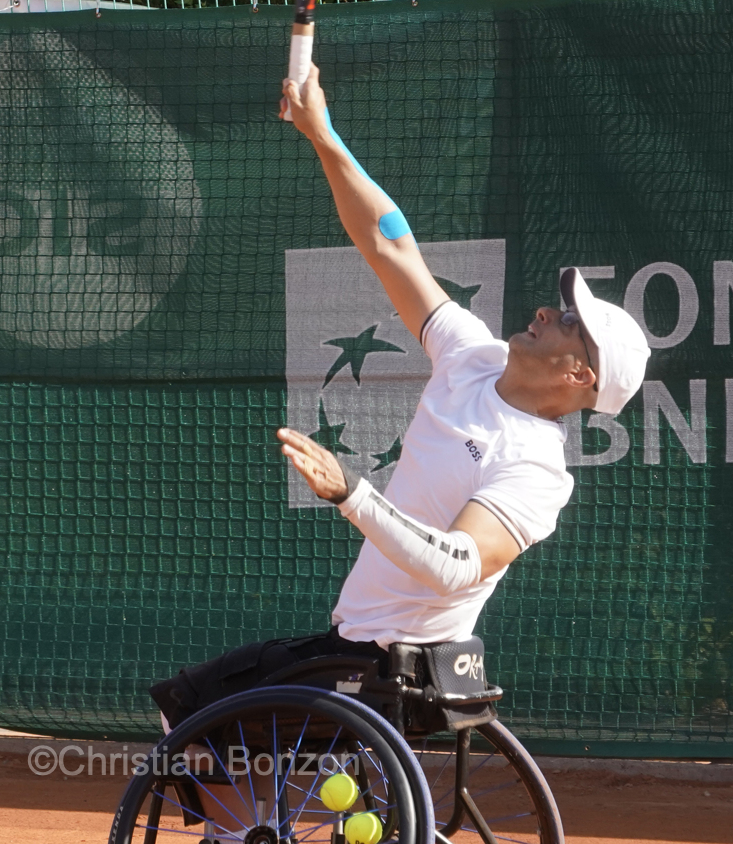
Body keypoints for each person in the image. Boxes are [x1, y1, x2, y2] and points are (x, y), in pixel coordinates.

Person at [150, 65, 650, 730]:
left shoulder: (535, 470)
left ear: (580, 375)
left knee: (189, 714)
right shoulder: (473, 358)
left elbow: (456, 567)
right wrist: (324, 136)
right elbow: (390, 245)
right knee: (192, 714)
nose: (543, 312)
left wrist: (350, 492)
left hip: (393, 673)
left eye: (566, 322)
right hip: (353, 645)